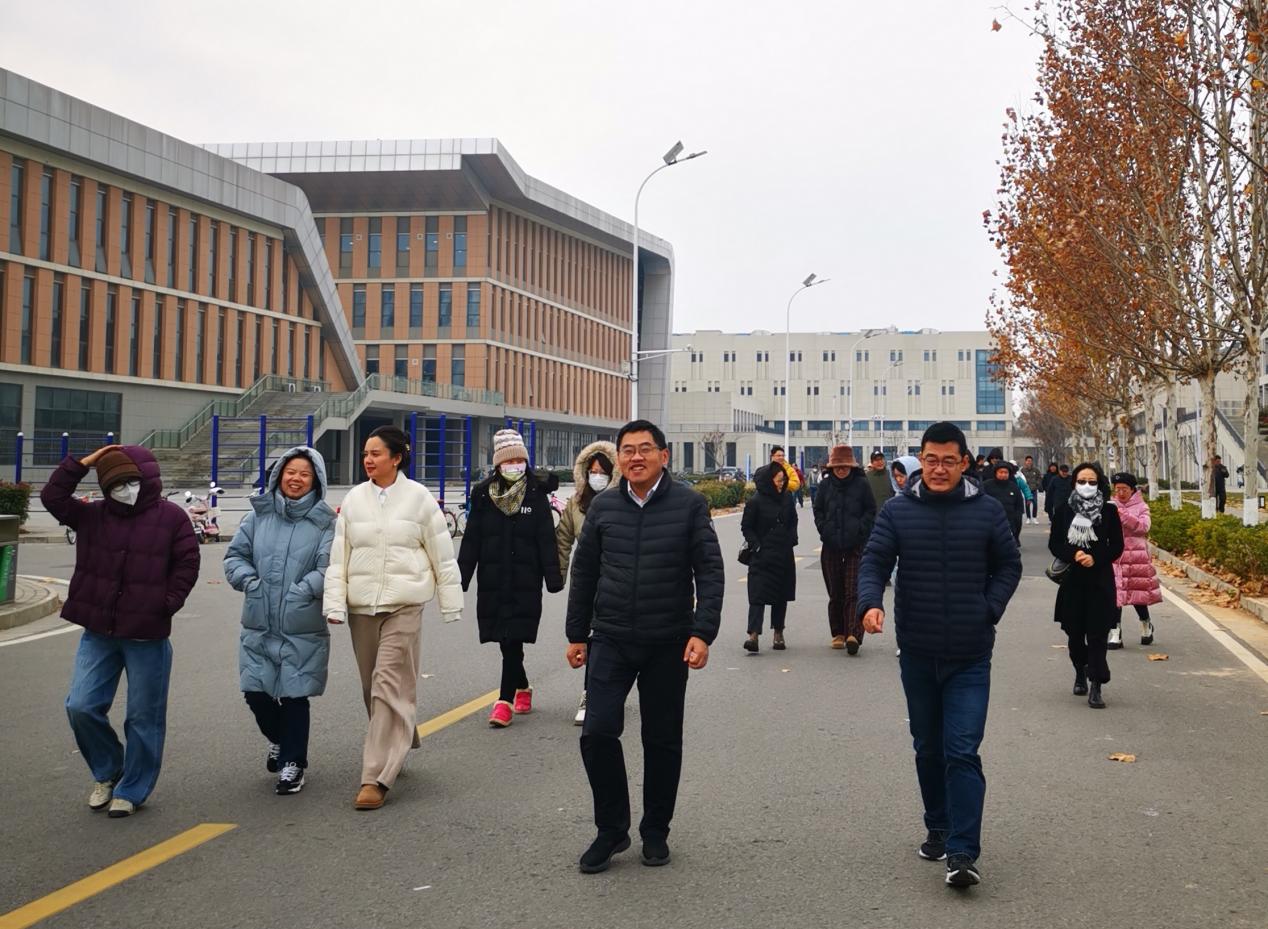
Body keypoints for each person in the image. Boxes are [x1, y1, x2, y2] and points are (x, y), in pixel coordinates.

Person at [857, 422, 1022, 889]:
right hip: (918, 651)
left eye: (949, 461)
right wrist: (870, 603)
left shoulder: (987, 511)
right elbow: (875, 560)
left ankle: (963, 851)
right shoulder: (898, 510)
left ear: (964, 463)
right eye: (931, 459)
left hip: (971, 654)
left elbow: (1009, 565)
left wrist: (988, 609)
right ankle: (939, 825)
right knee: (928, 747)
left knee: (962, 750)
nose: (939, 468)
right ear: (921, 460)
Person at [565, 419, 724, 873]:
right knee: (597, 732)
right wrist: (576, 633)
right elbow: (585, 571)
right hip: (610, 637)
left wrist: (702, 632)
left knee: (661, 739)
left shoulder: (689, 504)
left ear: (663, 456)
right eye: (628, 450)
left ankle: (656, 830)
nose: (636, 457)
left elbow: (709, 571)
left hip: (668, 640)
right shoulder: (604, 506)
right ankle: (611, 829)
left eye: (645, 449)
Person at [41, 444, 200, 818]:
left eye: (131, 482)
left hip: (147, 635)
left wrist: (165, 603)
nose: (125, 490)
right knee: (80, 706)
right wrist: (82, 464)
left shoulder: (172, 518)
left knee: (143, 717)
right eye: (116, 484)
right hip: (99, 632)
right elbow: (53, 498)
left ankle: (133, 788)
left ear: (147, 479)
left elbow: (187, 563)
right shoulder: (92, 516)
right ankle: (109, 771)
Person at [323, 425, 463, 811]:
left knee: (387, 683)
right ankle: (403, 733)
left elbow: (441, 554)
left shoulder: (419, 499)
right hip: (362, 609)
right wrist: (335, 604)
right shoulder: (354, 500)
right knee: (372, 687)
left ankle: (376, 776)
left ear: (397, 458)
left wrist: (450, 603)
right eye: (365, 454)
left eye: (376, 453)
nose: (368, 460)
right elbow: (339, 557)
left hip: (405, 604)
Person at [224, 446, 335, 795]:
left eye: (305, 474)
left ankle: (293, 764)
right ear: (278, 476)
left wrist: (304, 590)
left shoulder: (325, 523)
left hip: (301, 623)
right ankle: (281, 740)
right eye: (290, 472)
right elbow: (235, 556)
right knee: (255, 692)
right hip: (258, 620)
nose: (296, 479)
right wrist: (249, 581)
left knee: (294, 695)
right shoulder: (258, 516)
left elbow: (329, 567)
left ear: (316, 480)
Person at [459, 429, 564, 728]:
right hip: (493, 578)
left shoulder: (536, 493)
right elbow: (472, 539)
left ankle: (503, 702)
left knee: (513, 637)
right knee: (505, 641)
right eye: (508, 461)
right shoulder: (483, 494)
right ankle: (523, 686)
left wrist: (553, 578)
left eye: (519, 460)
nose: (514, 465)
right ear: (498, 463)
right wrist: (460, 578)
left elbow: (546, 538)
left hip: (525, 579)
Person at [1048, 462, 1124, 709]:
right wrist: (1074, 554)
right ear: (1074, 483)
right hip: (1073, 581)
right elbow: (1055, 544)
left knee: (1098, 635)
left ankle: (1096, 684)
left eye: (1092, 482)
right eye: (1082, 481)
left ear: (1099, 484)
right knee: (1075, 635)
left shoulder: (1109, 511)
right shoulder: (1064, 510)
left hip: (1100, 581)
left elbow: (1117, 546)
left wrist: (1096, 558)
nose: (1087, 486)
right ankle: (1080, 671)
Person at [556, 441, 620, 725]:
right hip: (586, 580)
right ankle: (590, 693)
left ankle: (599, 691)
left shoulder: (622, 501)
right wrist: (557, 575)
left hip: (616, 579)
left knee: (607, 639)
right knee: (588, 638)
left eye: (602, 472)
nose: (597, 477)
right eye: (592, 471)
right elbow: (563, 539)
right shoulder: (576, 503)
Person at [813, 445, 876, 653]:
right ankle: (838, 633)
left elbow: (870, 510)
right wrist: (824, 529)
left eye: (845, 467)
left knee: (853, 591)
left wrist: (861, 530)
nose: (841, 470)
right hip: (831, 545)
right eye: (837, 467)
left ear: (851, 467)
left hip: (856, 546)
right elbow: (818, 510)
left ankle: (853, 634)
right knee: (835, 592)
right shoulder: (825, 485)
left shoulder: (862, 484)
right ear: (832, 468)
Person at [741, 463, 798, 653]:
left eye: (783, 480)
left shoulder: (787, 498)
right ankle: (753, 634)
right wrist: (756, 545)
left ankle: (778, 633)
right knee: (757, 596)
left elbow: (793, 520)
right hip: (761, 556)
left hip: (783, 554)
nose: (782, 484)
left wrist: (791, 539)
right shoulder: (755, 501)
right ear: (769, 481)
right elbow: (747, 527)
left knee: (781, 595)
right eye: (779, 480)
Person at [1109, 472, 1162, 647]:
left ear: (1132, 489)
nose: (1120, 493)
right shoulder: (1110, 505)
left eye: (1124, 489)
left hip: (1136, 557)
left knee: (1137, 595)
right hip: (1116, 557)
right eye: (1117, 489)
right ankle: (1115, 632)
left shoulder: (1141, 507)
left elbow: (1143, 527)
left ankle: (1146, 625)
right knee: (1115, 595)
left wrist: (1121, 514)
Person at [983, 461, 1024, 542]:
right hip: (991, 521)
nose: (1003, 475)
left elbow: (1019, 505)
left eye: (1006, 472)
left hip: (1009, 522)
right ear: (996, 473)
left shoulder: (1013, 487)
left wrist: (1017, 517)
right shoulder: (986, 485)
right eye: (1001, 472)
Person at [1020, 456, 1042, 524]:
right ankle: (1028, 518)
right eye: (1028, 461)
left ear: (1032, 462)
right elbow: (1020, 478)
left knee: (1035, 503)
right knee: (1027, 504)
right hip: (1026, 490)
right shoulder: (1022, 470)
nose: (1029, 462)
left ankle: (1034, 517)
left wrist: (1037, 484)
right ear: (1025, 462)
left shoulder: (1036, 470)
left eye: (1030, 461)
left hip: (1034, 489)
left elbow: (1039, 478)